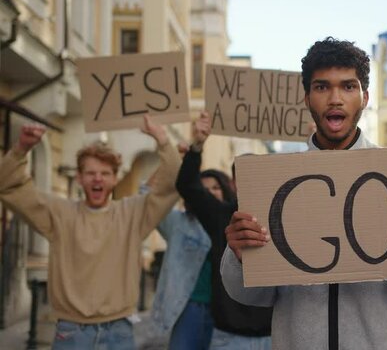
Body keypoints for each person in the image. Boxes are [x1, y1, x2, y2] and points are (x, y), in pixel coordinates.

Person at [221, 37, 387, 349]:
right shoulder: (273, 186)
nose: (335, 98)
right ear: (307, 97)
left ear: (365, 98)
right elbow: (253, 296)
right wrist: (240, 256)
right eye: (322, 87)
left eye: (348, 87)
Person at [0, 116, 180, 349]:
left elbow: (174, 184)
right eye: (91, 173)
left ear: (115, 179)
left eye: (105, 173)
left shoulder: (133, 213)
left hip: (119, 331)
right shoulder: (59, 214)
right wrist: (21, 148)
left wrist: (162, 139)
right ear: (79, 178)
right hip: (72, 333)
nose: (98, 178)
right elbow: (8, 186)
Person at [176, 114, 272, 349]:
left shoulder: (283, 218)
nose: (252, 183)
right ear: (233, 184)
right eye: (245, 177)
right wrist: (197, 145)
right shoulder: (220, 216)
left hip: (274, 338)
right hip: (229, 337)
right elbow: (188, 186)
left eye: (258, 177)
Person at [142, 145, 214, 350]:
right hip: (186, 309)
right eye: (203, 188)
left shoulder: (230, 222)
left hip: (224, 315)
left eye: (215, 188)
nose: (208, 193)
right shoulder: (178, 223)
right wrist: (174, 159)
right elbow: (146, 196)